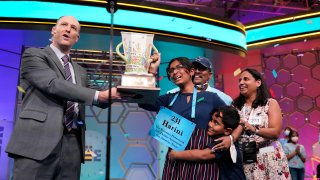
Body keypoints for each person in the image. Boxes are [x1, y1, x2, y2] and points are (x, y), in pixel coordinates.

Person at [5, 16, 159, 179]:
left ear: (77, 38)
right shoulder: (34, 55)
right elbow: (52, 84)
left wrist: (145, 74)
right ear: (54, 30)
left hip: (73, 144)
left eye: (74, 28)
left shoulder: (80, 71)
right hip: (36, 142)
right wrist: (99, 95)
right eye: (64, 25)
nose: (68, 29)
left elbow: (101, 99)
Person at [140, 57, 226, 180]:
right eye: (171, 70)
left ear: (191, 71)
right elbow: (144, 102)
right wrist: (152, 71)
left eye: (179, 67)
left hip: (203, 160)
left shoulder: (211, 98)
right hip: (176, 159)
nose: (174, 72)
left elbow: (233, 119)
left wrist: (230, 137)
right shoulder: (169, 98)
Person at [233, 68, 291, 179]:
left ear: (258, 83)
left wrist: (254, 129)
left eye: (246, 79)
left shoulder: (270, 103)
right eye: (239, 80)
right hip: (247, 156)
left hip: (269, 154)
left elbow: (275, 132)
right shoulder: (236, 107)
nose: (241, 83)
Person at [168, 106, 246, 180]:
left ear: (227, 131)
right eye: (211, 120)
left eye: (216, 123)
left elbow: (204, 155)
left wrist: (177, 155)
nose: (210, 124)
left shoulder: (223, 143)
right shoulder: (228, 137)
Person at [167, 56, 232, 105]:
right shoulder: (172, 94)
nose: (197, 71)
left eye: (202, 68)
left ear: (210, 75)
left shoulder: (223, 98)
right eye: (194, 68)